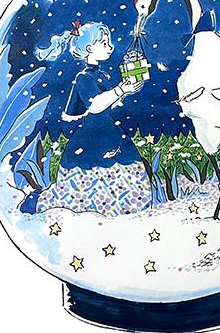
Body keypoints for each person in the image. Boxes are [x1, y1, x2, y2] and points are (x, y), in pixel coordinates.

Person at [34, 21, 151, 217]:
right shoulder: (84, 78)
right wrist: (121, 89)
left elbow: (109, 103)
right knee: (92, 170)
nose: (110, 47)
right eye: (104, 43)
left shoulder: (102, 75)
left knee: (124, 164)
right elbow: (95, 105)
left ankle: (125, 208)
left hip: (110, 132)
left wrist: (126, 91)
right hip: (91, 136)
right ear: (89, 48)